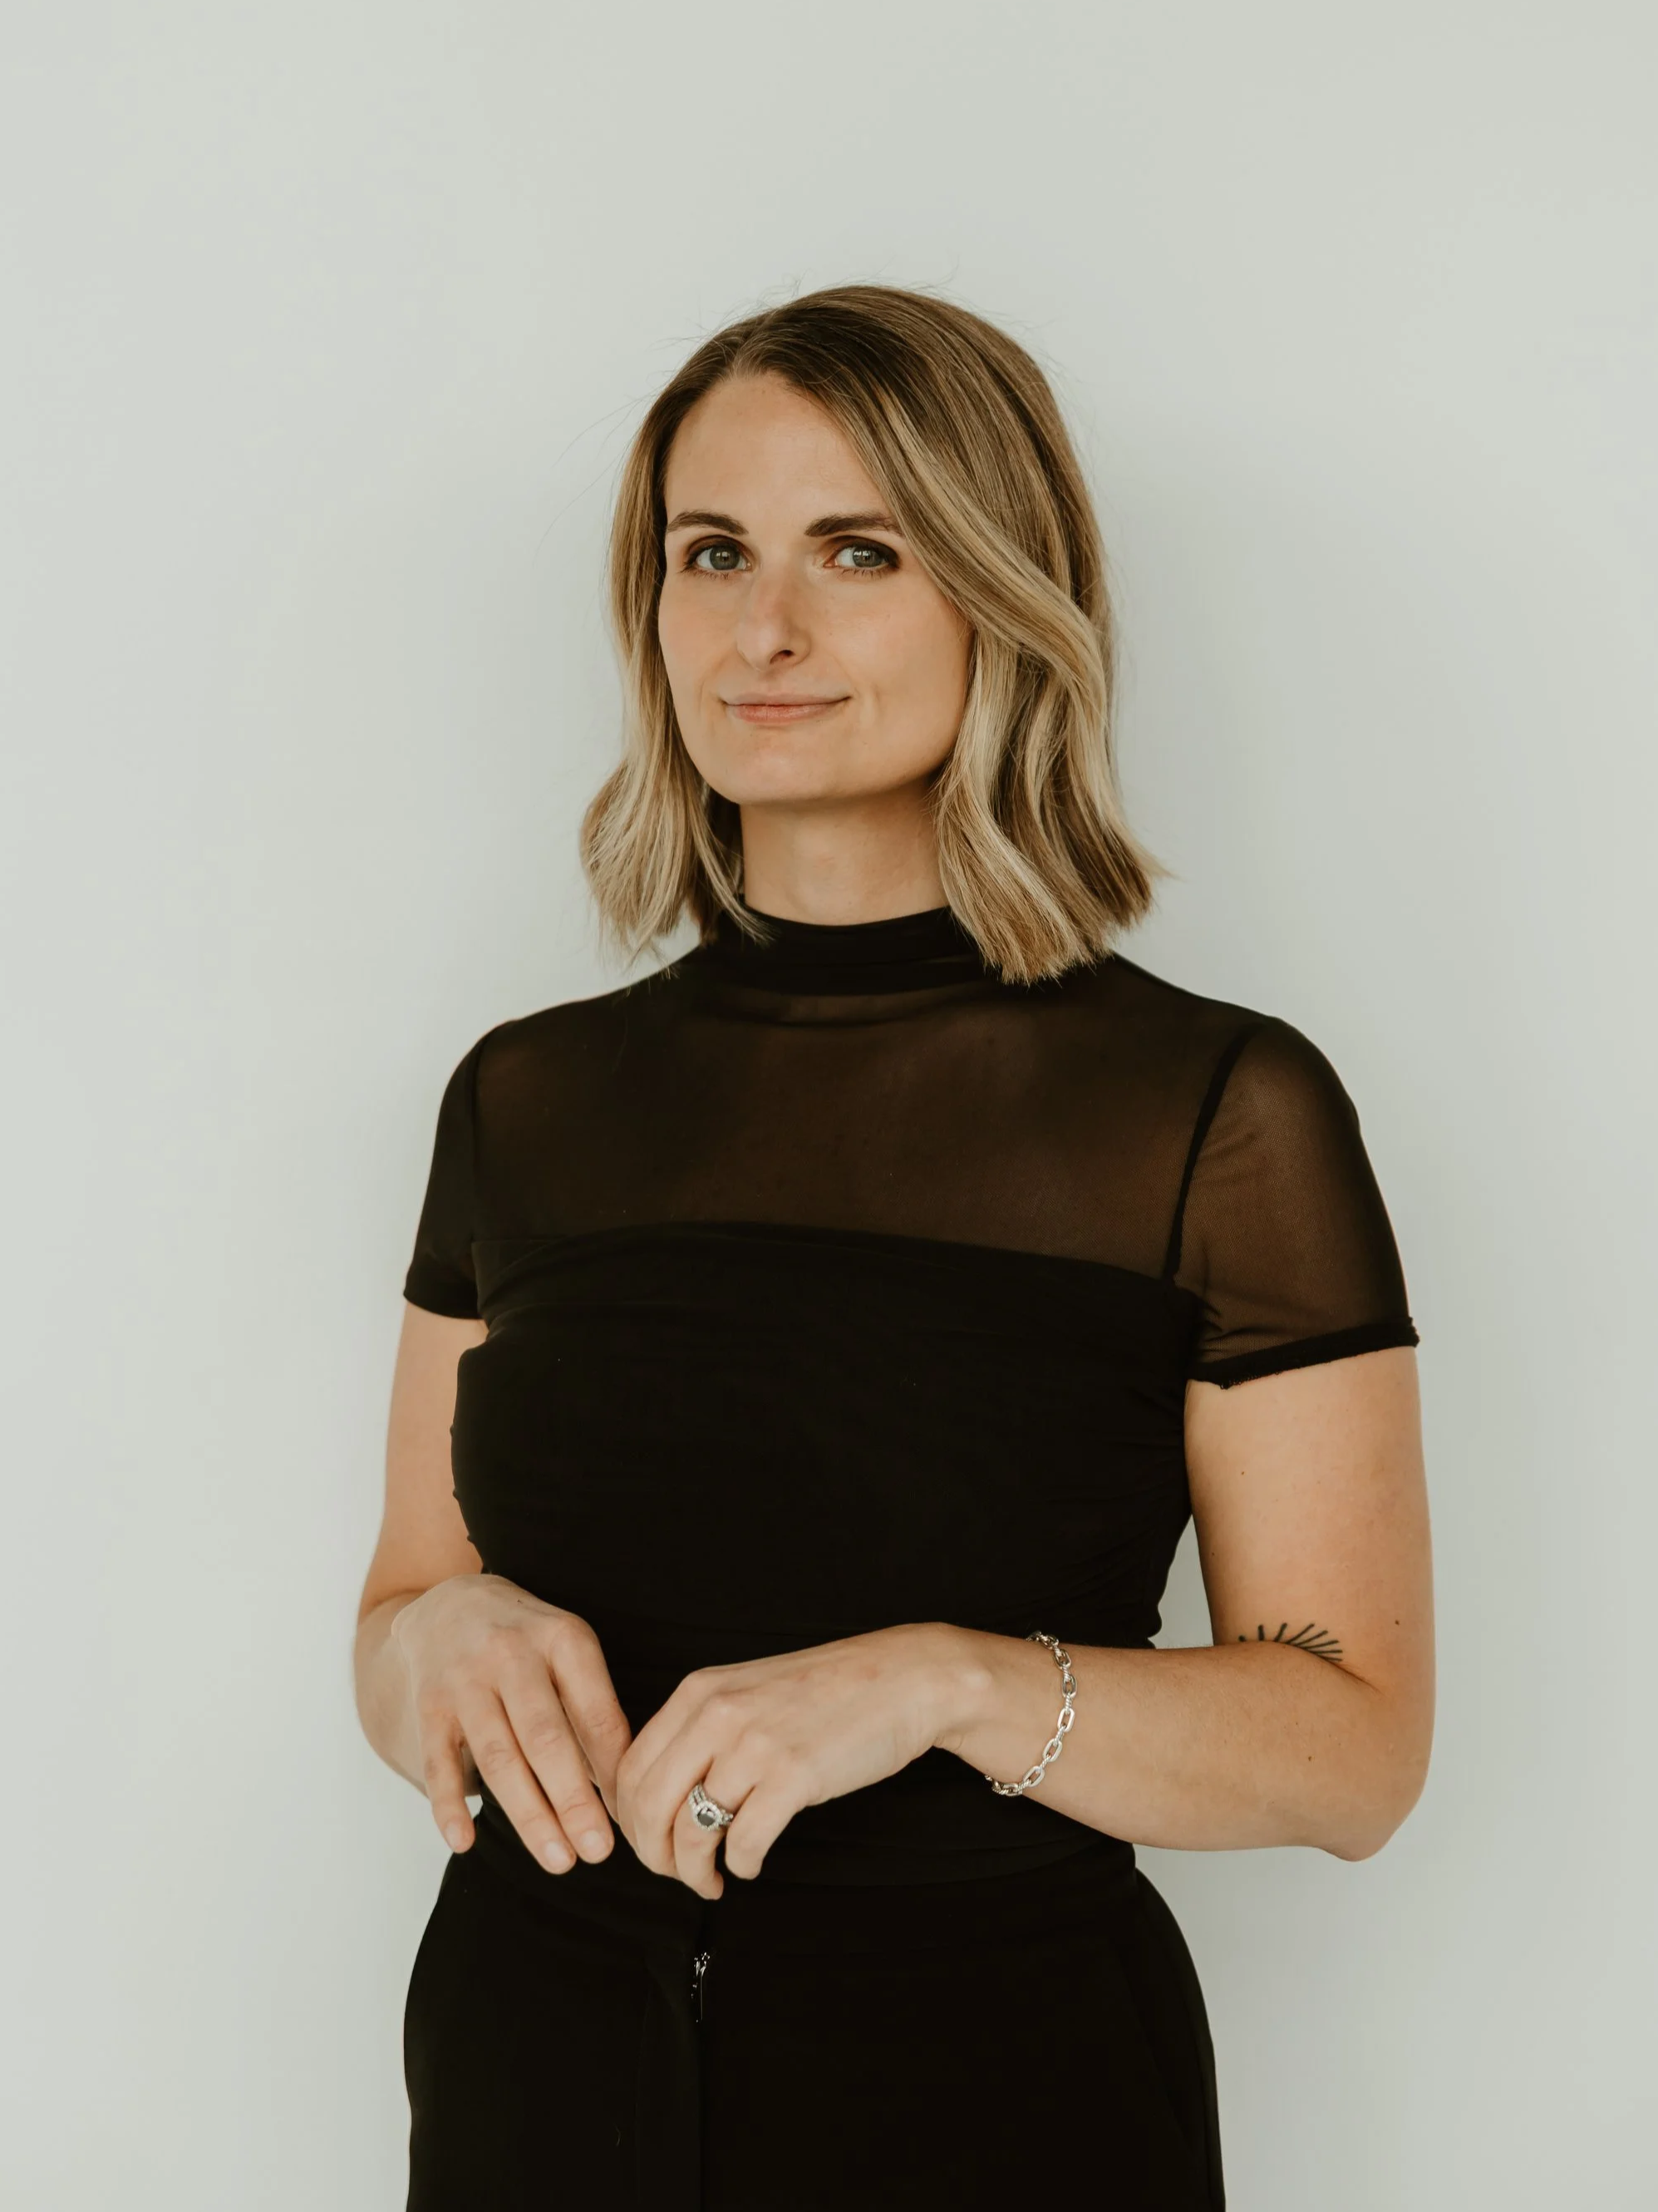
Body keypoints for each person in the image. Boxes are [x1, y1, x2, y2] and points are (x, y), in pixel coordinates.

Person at [353, 283, 1434, 2210]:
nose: (762, 626)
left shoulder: (1213, 1111)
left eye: (858, 550)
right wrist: (432, 1638)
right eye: (712, 552)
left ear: (1002, 595)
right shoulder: (526, 1099)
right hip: (536, 2086)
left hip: (1001, 2110)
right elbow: (401, 1611)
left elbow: (1354, 1749)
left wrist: (950, 1682)